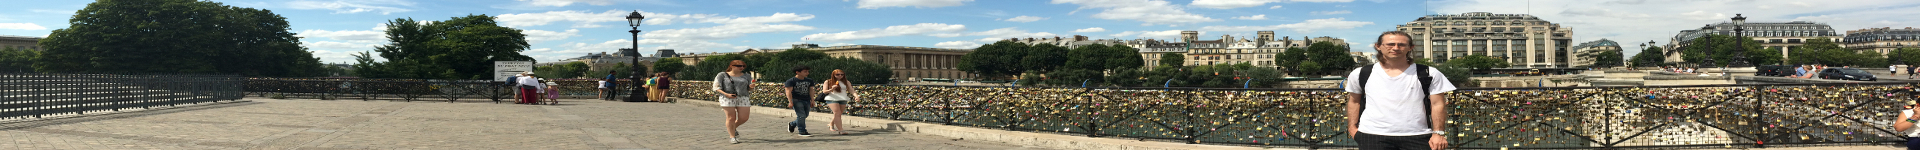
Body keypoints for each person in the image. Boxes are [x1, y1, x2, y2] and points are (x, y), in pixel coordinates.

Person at [1343, 31, 1456, 150]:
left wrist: (1438, 133)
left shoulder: (1429, 73)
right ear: (1378, 46)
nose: (1396, 48)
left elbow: (1438, 104)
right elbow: (1354, 101)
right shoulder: (1361, 73)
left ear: (1410, 48)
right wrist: (1352, 128)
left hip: (1417, 135)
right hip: (1372, 135)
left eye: (1401, 45)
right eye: (1390, 44)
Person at [712, 60, 754, 144]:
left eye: (743, 66)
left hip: (743, 97)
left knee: (744, 118)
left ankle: (732, 127)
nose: (742, 68)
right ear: (731, 66)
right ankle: (732, 137)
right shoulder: (722, 75)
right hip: (727, 97)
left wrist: (751, 87)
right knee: (731, 117)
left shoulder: (747, 76)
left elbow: (749, 89)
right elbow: (716, 87)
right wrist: (726, 94)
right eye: (739, 66)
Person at [819, 69, 859, 135]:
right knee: (837, 113)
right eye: (837, 74)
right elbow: (824, 91)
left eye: (842, 74)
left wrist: (856, 96)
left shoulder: (846, 81)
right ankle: (841, 130)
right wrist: (832, 89)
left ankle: (831, 124)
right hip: (832, 98)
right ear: (833, 75)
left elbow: (851, 90)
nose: (840, 76)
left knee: (838, 114)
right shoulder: (828, 81)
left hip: (843, 98)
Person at [782, 66, 817, 137]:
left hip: (806, 99)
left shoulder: (809, 80)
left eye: (807, 71)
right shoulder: (791, 81)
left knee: (805, 115)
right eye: (805, 71)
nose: (807, 73)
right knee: (801, 115)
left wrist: (812, 100)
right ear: (797, 72)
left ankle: (792, 124)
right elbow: (788, 91)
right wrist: (790, 101)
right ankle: (802, 131)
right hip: (796, 100)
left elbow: (811, 90)